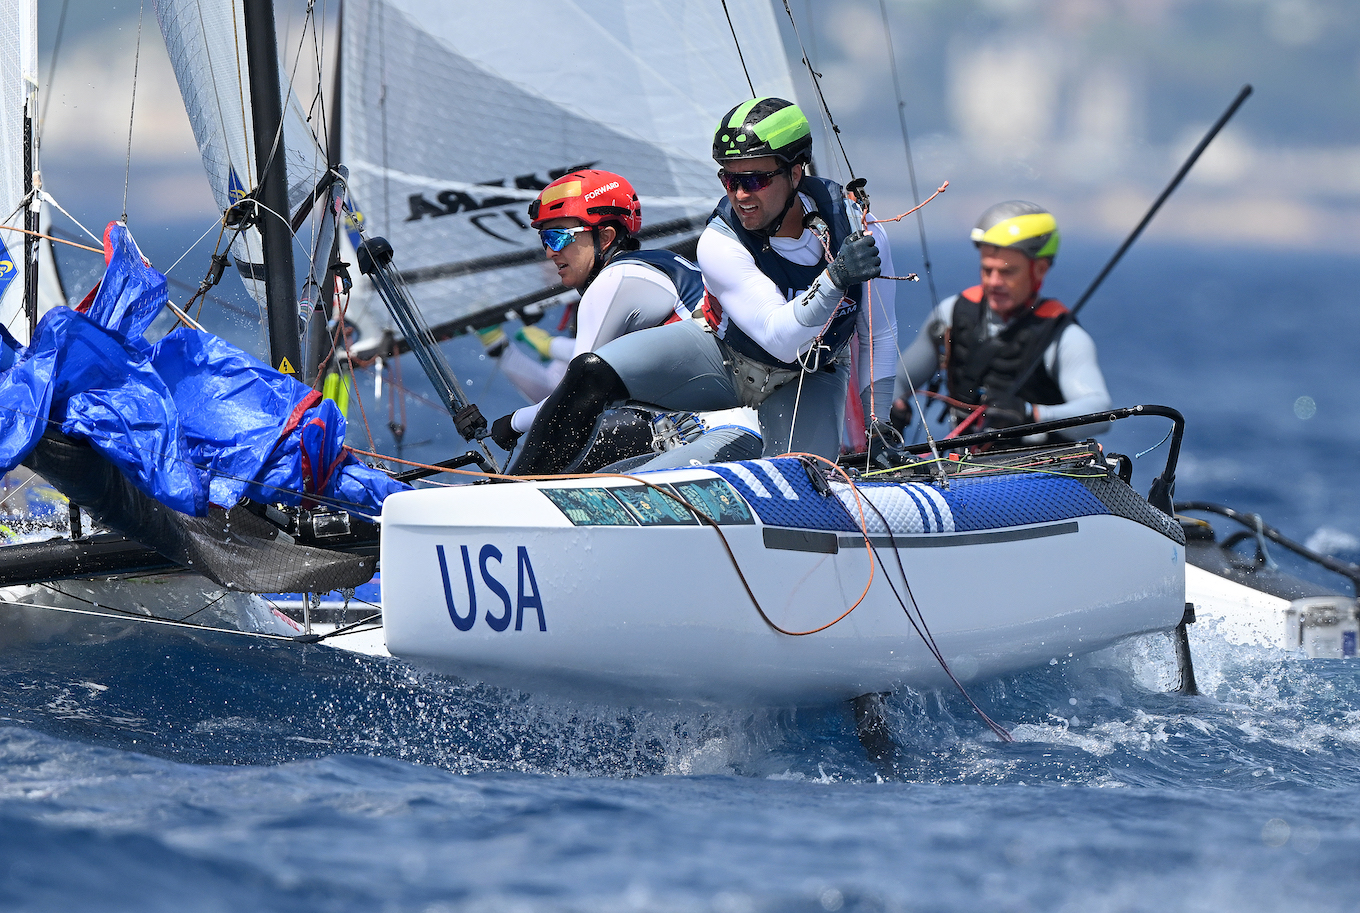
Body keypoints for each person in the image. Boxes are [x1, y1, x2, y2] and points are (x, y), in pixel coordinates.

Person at [506, 97, 899, 475]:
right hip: (724, 358)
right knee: (591, 372)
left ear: (795, 173)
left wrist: (878, 426)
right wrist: (834, 280)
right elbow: (778, 338)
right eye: (729, 179)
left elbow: (877, 334)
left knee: (796, 480)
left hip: (810, 375)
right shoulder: (720, 241)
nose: (740, 194)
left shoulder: (859, 229)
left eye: (756, 179)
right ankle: (516, 495)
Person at [487, 169, 714, 459]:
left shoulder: (612, 281)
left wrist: (512, 423)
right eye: (544, 239)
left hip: (710, 433)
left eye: (558, 237)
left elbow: (570, 400)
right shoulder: (663, 261)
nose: (549, 252)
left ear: (605, 237)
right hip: (717, 427)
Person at [892, 201, 1110, 435]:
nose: (994, 282)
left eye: (1007, 271)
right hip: (964, 466)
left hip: (1039, 466)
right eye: (987, 270)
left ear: (1040, 269)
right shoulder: (951, 314)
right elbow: (897, 381)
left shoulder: (1063, 337)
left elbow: (1101, 413)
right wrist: (892, 406)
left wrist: (1031, 414)